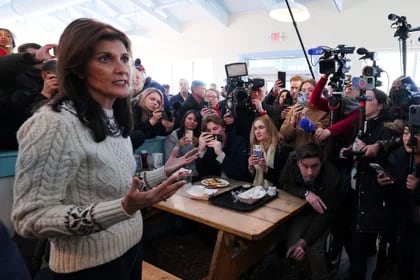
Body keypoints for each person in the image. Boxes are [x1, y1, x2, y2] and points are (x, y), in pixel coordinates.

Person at [11, 18, 199, 280]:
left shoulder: (114, 118)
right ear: (77, 68)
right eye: (105, 59)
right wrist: (122, 209)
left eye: (124, 58)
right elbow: (29, 218)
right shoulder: (53, 124)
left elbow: (122, 187)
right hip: (88, 268)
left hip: (131, 251)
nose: (122, 69)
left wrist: (163, 173)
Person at [279, 143, 341, 280]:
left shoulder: (332, 177)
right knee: (291, 245)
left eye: (315, 166)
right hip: (302, 210)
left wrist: (304, 242)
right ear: (298, 161)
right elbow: (283, 183)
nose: (310, 172)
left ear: (321, 162)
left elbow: (326, 215)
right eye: (305, 166)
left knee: (314, 249)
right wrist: (306, 194)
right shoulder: (292, 159)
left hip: (325, 213)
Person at [196, 115, 252, 182]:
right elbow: (203, 174)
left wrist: (220, 154)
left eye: (215, 129)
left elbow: (238, 174)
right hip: (216, 186)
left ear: (223, 128)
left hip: (237, 185)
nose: (212, 133)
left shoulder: (239, 143)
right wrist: (201, 151)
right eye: (208, 130)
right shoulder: (209, 145)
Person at [280, 79, 330, 149]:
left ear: (318, 92)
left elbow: (321, 140)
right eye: (303, 91)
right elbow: (284, 136)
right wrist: (293, 121)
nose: (306, 93)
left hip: (315, 155)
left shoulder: (324, 112)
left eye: (311, 90)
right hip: (296, 155)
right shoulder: (294, 110)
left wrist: (307, 123)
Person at [248, 115, 292, 186]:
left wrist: (266, 168)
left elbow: (283, 179)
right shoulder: (256, 148)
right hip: (257, 191)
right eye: (255, 129)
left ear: (269, 129)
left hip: (278, 191)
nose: (257, 132)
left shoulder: (282, 149)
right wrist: (250, 167)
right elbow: (249, 179)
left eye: (261, 127)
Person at [164, 110, 201, 178]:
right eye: (189, 119)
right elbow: (168, 161)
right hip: (179, 175)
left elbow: (203, 157)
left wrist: (200, 144)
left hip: (198, 173)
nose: (192, 122)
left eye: (195, 120)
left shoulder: (200, 136)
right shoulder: (173, 136)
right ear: (184, 119)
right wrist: (178, 146)